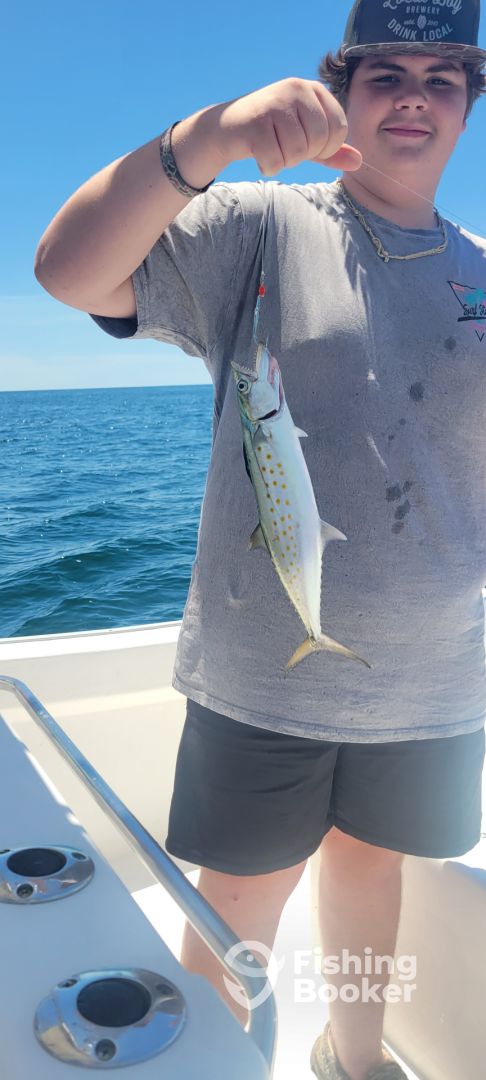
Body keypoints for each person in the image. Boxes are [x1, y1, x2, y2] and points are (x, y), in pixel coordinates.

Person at [34, 1, 486, 1077]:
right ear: (341, 91)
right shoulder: (258, 225)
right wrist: (209, 139)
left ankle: (355, 1056)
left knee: (374, 870)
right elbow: (69, 272)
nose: (413, 96)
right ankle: (217, 1062)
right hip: (262, 677)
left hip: (438, 676)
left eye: (443, 77)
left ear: (468, 105)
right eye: (385, 74)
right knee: (239, 895)